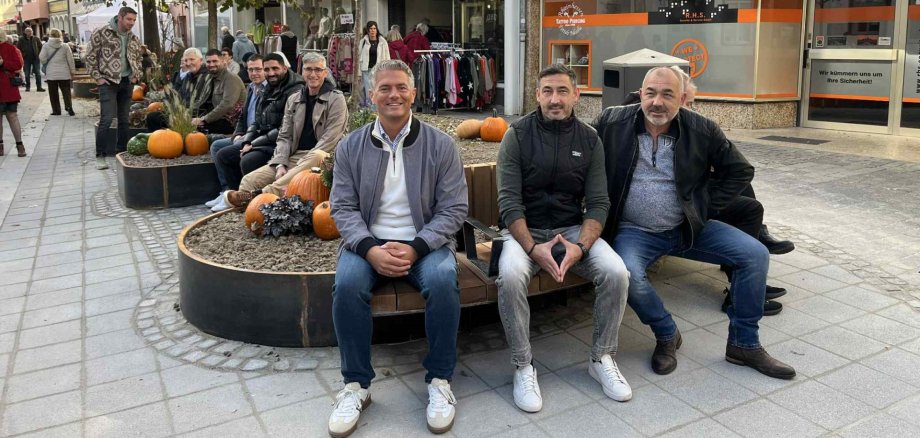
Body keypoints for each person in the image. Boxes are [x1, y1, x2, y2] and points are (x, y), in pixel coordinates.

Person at [593, 66, 796, 380]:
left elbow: (740, 171)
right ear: (641, 94)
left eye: (667, 94)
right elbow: (578, 149)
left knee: (755, 254)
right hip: (635, 231)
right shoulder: (612, 121)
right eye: (650, 93)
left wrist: (704, 206)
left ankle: (744, 344)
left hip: (689, 227)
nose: (657, 102)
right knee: (628, 273)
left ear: (682, 98)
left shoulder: (703, 129)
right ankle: (666, 333)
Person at [327, 60, 468, 437]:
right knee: (347, 285)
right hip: (367, 244)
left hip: (425, 243)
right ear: (371, 95)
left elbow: (454, 208)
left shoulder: (440, 145)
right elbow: (341, 207)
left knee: (442, 281)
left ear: (414, 93)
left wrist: (419, 247)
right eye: (385, 88)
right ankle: (356, 385)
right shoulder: (351, 147)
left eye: (401, 87)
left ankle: (439, 380)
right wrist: (370, 249)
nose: (394, 95)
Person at [496, 64, 632, 412]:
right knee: (510, 275)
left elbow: (599, 202)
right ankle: (523, 365)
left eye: (561, 91)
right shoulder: (518, 135)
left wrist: (580, 246)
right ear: (537, 95)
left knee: (617, 272)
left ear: (576, 95)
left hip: (573, 230)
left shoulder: (589, 139)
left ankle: (601, 357)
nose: (554, 99)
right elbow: (509, 202)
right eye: (547, 91)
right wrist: (532, 248)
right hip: (525, 231)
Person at [665, 66, 794, 313]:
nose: (691, 109)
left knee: (741, 182)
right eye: (688, 103)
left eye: (692, 104)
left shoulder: (686, 121)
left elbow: (738, 167)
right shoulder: (653, 118)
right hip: (679, 204)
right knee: (750, 210)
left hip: (690, 192)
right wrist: (709, 204)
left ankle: (750, 275)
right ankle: (739, 292)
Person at [223, 53, 347, 207]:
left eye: (318, 70)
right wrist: (281, 162)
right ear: (302, 71)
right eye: (308, 69)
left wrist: (301, 164)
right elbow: (284, 136)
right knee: (250, 180)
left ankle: (263, 194)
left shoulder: (336, 99)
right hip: (293, 156)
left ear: (325, 73)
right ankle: (254, 211)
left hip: (323, 157)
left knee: (317, 155)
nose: (313, 74)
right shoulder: (294, 99)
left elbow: (330, 139)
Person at [214, 53, 304, 192]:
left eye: (275, 68)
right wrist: (247, 140)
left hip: (282, 143)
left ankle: (251, 196)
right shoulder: (267, 88)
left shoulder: (295, 90)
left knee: (248, 159)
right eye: (267, 69)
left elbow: (285, 129)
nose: (271, 73)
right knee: (222, 154)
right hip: (263, 138)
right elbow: (256, 120)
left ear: (284, 68)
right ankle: (233, 195)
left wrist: (253, 143)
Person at [85, 6, 143, 170]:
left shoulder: (133, 38)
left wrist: (136, 74)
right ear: (120, 17)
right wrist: (98, 78)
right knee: (107, 119)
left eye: (133, 20)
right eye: (129, 19)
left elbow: (138, 58)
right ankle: (100, 156)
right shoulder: (102, 32)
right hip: (108, 82)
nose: (131, 23)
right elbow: (90, 57)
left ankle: (122, 152)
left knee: (124, 120)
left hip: (127, 82)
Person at [206, 54, 266, 211]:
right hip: (245, 134)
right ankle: (225, 191)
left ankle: (234, 195)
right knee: (216, 146)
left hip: (257, 137)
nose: (254, 73)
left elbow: (263, 122)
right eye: (251, 70)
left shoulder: (267, 90)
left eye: (258, 69)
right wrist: (237, 133)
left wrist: (248, 138)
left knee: (224, 154)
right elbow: (242, 116)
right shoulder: (251, 88)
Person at [147, 48, 205, 132]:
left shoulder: (205, 76)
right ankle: (158, 142)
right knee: (153, 117)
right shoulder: (189, 75)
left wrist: (182, 114)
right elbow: (179, 95)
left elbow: (200, 102)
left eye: (192, 59)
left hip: (196, 114)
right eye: (186, 60)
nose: (188, 63)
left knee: (155, 118)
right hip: (182, 112)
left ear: (201, 60)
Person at [190, 49, 245, 135]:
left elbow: (227, 105)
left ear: (223, 61)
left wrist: (204, 119)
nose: (211, 64)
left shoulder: (231, 78)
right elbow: (202, 100)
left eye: (215, 61)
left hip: (231, 123)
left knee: (194, 131)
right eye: (208, 62)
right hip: (216, 118)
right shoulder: (211, 78)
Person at [38, 28, 76, 117]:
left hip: (51, 73)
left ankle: (56, 110)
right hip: (64, 73)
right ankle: (69, 107)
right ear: (60, 35)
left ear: (50, 35)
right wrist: (72, 71)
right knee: (66, 91)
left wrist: (46, 62)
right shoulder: (65, 46)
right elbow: (70, 60)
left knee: (53, 93)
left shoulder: (46, 46)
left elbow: (41, 58)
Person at [0, 29, 25, 157]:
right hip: (8, 89)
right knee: (12, 117)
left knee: (12, 116)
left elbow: (18, 64)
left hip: (7, 88)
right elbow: (18, 64)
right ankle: (13, 146)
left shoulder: (9, 48)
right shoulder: (11, 48)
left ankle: (20, 146)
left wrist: (3, 63)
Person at [358, 21, 390, 109]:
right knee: (368, 90)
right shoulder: (363, 41)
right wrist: (358, 72)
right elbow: (358, 57)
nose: (373, 31)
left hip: (378, 70)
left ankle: (377, 108)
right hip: (366, 69)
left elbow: (387, 56)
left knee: (378, 89)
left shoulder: (382, 41)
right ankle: (369, 109)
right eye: (371, 29)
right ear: (368, 30)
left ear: (377, 30)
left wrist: (388, 70)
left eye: (374, 28)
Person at [16, 27, 44, 92]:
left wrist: (38, 54)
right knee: (27, 73)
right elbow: (18, 48)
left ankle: (39, 87)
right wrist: (22, 54)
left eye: (31, 31)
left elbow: (40, 47)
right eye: (28, 31)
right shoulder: (21, 39)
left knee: (38, 73)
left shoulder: (36, 38)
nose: (30, 32)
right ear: (25, 32)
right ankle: (28, 87)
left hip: (35, 58)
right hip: (26, 58)